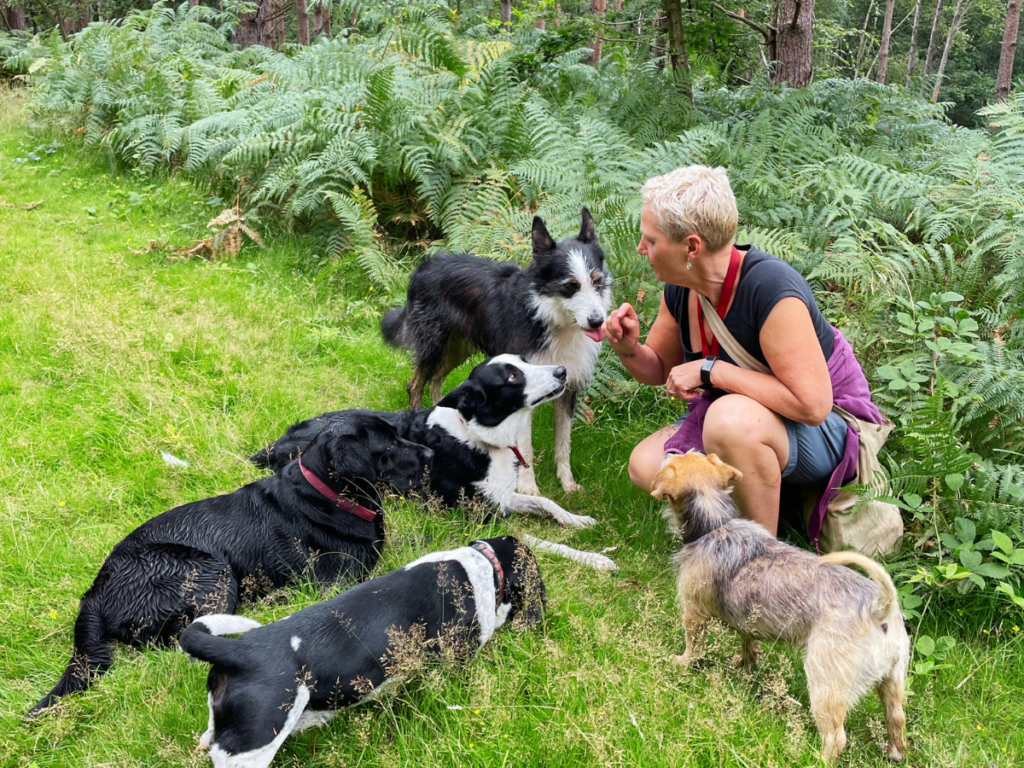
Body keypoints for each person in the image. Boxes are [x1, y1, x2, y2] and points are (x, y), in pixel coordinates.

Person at [605, 165, 881, 538]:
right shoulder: (681, 286)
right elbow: (659, 370)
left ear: (691, 247)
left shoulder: (770, 290)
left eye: (651, 241)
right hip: (759, 420)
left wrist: (711, 371)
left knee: (728, 420)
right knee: (646, 466)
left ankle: (758, 559)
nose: (641, 249)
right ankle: (754, 508)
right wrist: (629, 348)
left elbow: (813, 406)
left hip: (831, 427)